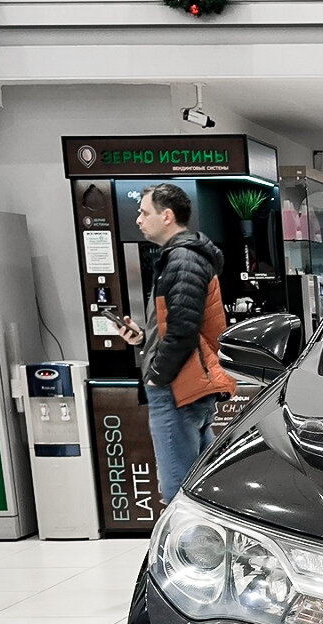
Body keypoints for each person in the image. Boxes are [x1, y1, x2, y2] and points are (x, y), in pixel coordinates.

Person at [117, 183, 236, 501]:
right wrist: (143, 339)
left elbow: (183, 330)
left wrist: (157, 375)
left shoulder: (183, 260)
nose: (138, 220)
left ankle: (188, 538)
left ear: (167, 216)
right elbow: (177, 326)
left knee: (178, 494)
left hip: (177, 390)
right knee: (198, 490)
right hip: (186, 385)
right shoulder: (183, 258)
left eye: (144, 213)